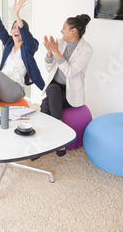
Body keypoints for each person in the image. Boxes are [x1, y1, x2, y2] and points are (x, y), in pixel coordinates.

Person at [40, 14, 93, 157]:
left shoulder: (86, 50)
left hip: (70, 93)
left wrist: (56, 52)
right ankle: (54, 139)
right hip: (55, 89)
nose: (61, 31)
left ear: (73, 31)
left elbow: (70, 72)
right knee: (51, 90)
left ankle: (50, 139)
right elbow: (49, 68)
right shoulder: (60, 43)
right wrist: (50, 53)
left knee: (46, 103)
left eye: (64, 28)